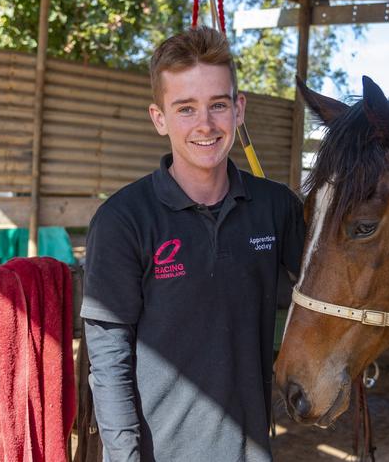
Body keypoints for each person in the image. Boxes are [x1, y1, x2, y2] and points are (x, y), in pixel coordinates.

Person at [81, 25, 305, 462]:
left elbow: (332, 290)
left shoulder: (277, 208)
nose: (205, 125)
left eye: (218, 105)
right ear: (159, 117)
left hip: (251, 451)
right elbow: (108, 360)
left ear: (239, 110)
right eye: (185, 109)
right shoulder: (123, 220)